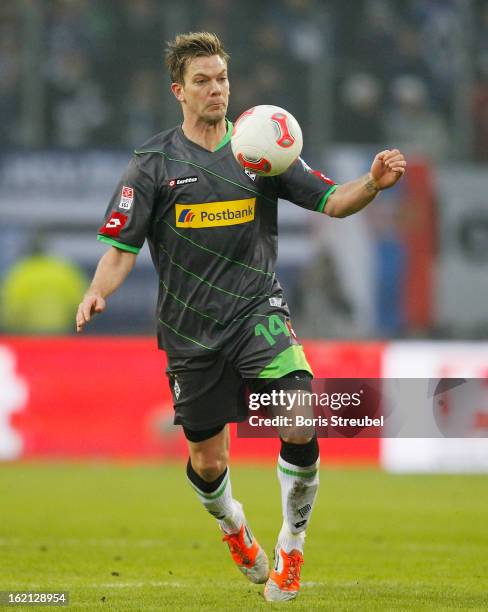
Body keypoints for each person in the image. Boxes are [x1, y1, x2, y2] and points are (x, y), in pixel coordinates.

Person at [76, 32, 406, 602]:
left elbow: (333, 200)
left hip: (258, 313)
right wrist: (96, 291)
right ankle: (233, 525)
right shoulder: (152, 164)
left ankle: (292, 547)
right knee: (208, 463)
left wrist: (372, 185)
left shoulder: (261, 147)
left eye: (221, 79)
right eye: (202, 81)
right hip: (189, 331)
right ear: (178, 90)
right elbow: (120, 249)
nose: (215, 90)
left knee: (299, 414)